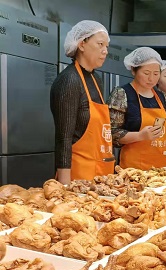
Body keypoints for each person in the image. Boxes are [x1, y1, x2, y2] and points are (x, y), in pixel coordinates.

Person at [50, 20, 113, 184]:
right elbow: (64, 138)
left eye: (106, 46)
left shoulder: (96, 80)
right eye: (100, 44)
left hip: (101, 175)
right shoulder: (69, 80)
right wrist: (64, 187)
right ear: (82, 44)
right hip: (78, 177)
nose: (105, 51)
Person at [108, 47, 166, 170]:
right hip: (134, 169)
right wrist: (140, 136)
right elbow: (111, 133)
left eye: (156, 74)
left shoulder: (161, 96)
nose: (151, 79)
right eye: (146, 73)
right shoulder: (122, 94)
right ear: (134, 70)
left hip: (162, 168)